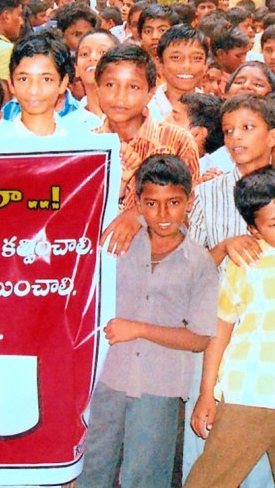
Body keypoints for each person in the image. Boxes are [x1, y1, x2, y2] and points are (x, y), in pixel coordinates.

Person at [75, 155, 218, 488]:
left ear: (189, 202)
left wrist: (139, 329)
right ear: (138, 204)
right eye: (152, 204)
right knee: (93, 467)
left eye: (174, 203)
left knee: (145, 475)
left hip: (159, 385)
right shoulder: (119, 244)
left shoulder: (199, 262)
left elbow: (199, 337)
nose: (163, 214)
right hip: (107, 378)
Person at [186, 168, 275, 488]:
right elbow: (220, 329)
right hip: (250, 395)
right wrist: (206, 394)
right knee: (211, 480)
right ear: (254, 229)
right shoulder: (247, 263)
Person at [91, 44, 200, 206]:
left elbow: (191, 207)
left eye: (133, 87)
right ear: (97, 88)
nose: (120, 96)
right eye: (110, 85)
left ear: (150, 93)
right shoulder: (88, 145)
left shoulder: (178, 142)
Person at [147, 24, 209, 127]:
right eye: (176, 58)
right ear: (159, 64)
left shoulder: (213, 112)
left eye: (196, 58)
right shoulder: (146, 111)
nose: (186, 66)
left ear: (205, 65)